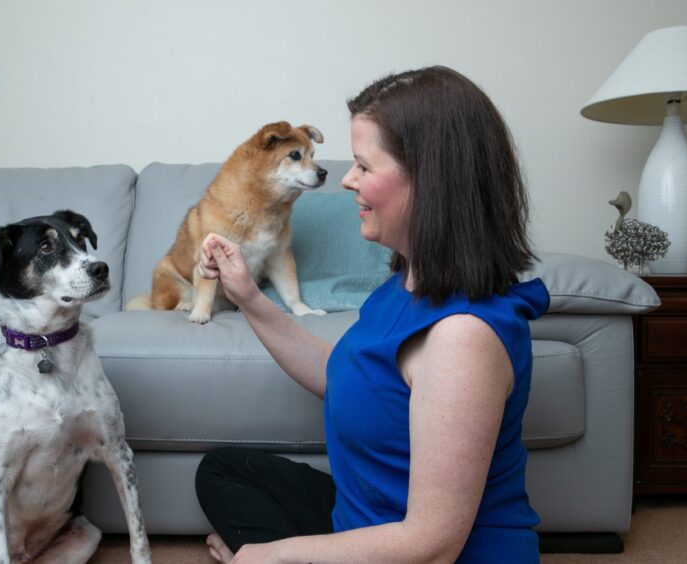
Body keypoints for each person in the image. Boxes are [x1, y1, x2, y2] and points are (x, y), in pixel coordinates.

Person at [193, 66, 549, 563]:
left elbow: (433, 547)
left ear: (429, 179)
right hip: (366, 522)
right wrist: (249, 296)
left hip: (426, 553)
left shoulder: (461, 339)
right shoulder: (407, 282)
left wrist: (268, 556)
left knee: (264, 553)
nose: (346, 179)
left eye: (363, 165)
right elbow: (346, 374)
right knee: (223, 471)